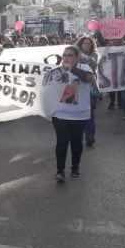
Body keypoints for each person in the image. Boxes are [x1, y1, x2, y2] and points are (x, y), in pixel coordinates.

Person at [47, 45, 95, 183]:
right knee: (61, 141)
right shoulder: (56, 69)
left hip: (79, 114)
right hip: (60, 113)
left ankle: (75, 167)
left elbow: (89, 78)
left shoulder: (85, 68)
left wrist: (72, 69)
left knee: (76, 142)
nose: (66, 57)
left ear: (77, 58)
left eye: (69, 55)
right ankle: (60, 171)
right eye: (64, 55)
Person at [76, 36, 100, 147]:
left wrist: (76, 53)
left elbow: (90, 62)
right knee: (78, 112)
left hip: (90, 88)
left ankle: (90, 136)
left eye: (89, 44)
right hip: (77, 87)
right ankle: (78, 135)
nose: (87, 45)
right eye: (84, 43)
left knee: (89, 112)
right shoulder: (74, 54)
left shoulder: (95, 55)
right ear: (81, 44)